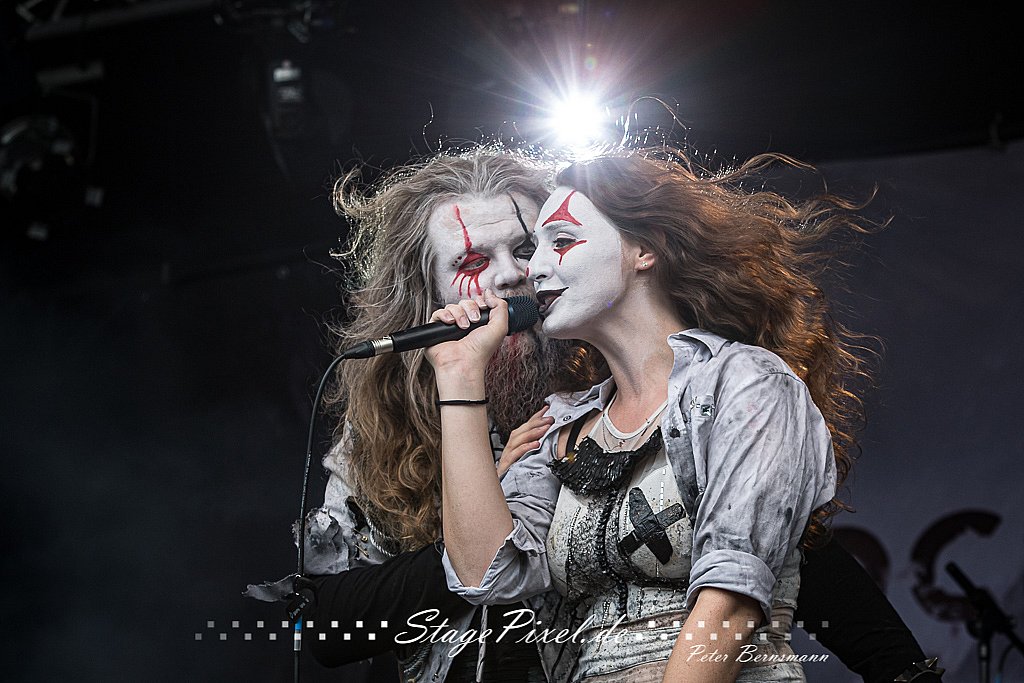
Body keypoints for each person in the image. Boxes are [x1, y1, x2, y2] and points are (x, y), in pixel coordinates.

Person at [246, 146, 942, 683]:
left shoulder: (627, 387)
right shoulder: (386, 431)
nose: (515, 274)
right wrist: (484, 494)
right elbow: (326, 627)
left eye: (533, 247)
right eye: (473, 259)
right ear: (424, 294)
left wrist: (901, 668)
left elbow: (766, 540)